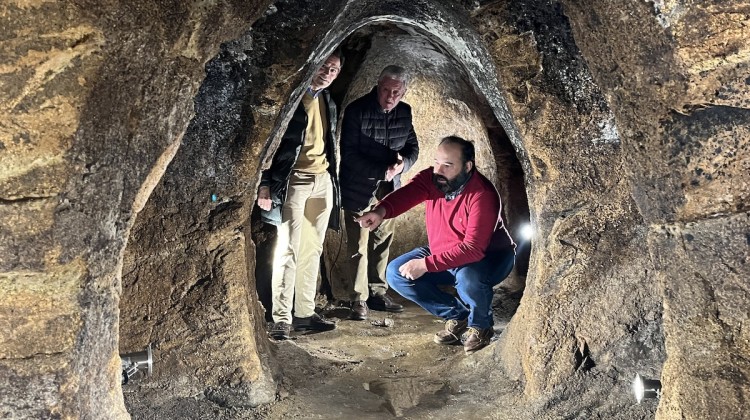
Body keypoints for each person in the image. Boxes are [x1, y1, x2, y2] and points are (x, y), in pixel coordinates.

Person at [356, 136, 516, 354]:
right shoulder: (435, 180)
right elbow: (408, 194)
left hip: (489, 257)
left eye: (448, 165)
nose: (438, 170)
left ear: (467, 167)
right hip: (447, 251)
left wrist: (426, 265)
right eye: (436, 162)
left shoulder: (482, 195)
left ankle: (481, 325)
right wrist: (380, 211)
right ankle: (458, 316)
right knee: (396, 273)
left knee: (468, 279)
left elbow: (473, 248)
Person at [256, 51, 344, 340]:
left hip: (323, 180)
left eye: (334, 69)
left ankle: (305, 313)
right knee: (287, 249)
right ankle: (281, 318)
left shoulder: (327, 100)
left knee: (312, 249)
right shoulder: (293, 98)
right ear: (313, 63)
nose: (328, 73)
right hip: (294, 180)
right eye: (324, 66)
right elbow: (267, 143)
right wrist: (265, 183)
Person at [339, 65, 420, 321]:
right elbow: (349, 154)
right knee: (359, 246)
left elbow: (412, 148)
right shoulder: (357, 111)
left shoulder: (405, 113)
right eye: (386, 90)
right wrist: (380, 169)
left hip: (388, 193)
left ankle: (377, 292)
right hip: (359, 188)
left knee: (382, 241)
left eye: (396, 92)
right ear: (378, 85)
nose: (390, 97)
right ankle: (358, 299)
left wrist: (402, 164)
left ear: (404, 91)